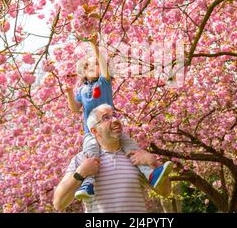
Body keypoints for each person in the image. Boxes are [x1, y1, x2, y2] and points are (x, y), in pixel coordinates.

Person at [65, 34, 173, 200]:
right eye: (91, 66)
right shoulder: (81, 91)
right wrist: (69, 93)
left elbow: (102, 64)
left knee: (132, 148)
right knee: (92, 152)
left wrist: (94, 45)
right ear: (84, 72)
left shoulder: (103, 83)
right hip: (91, 132)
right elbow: (75, 108)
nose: (96, 67)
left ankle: (151, 173)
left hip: (111, 129)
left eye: (97, 65)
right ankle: (88, 183)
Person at [53, 104, 171, 212]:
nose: (115, 120)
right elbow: (59, 203)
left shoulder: (137, 156)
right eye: (106, 118)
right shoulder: (81, 159)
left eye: (115, 115)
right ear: (94, 131)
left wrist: (153, 163)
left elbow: (165, 192)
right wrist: (80, 173)